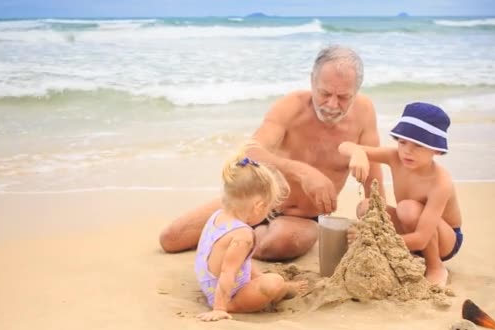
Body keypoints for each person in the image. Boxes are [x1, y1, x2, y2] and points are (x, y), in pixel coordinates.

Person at [160, 45, 385, 261]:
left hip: (301, 219)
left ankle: (233, 238)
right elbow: (248, 153)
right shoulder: (291, 106)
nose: (332, 104)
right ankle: (239, 233)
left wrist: (371, 223)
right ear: (312, 81)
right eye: (325, 93)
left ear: (356, 92)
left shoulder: (364, 115)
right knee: (171, 239)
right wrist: (301, 171)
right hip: (255, 199)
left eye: (344, 97)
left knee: (279, 243)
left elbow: (374, 188)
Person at [338, 102, 463, 287]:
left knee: (408, 209)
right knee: (366, 207)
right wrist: (357, 153)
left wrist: (374, 241)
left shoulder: (440, 182)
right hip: (410, 230)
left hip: (443, 241)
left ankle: (435, 266)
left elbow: (421, 239)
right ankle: (404, 255)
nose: (407, 151)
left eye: (418, 145)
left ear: (436, 149)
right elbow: (343, 146)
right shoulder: (395, 156)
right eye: (402, 142)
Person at [195, 151, 307, 322]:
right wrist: (219, 308)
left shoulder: (218, 215)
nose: (269, 213)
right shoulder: (243, 235)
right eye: (269, 209)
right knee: (274, 282)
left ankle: (278, 286)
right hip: (227, 295)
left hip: (208, 284)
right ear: (258, 207)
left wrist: (257, 276)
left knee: (250, 269)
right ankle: (281, 291)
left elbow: (235, 261)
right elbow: (227, 273)